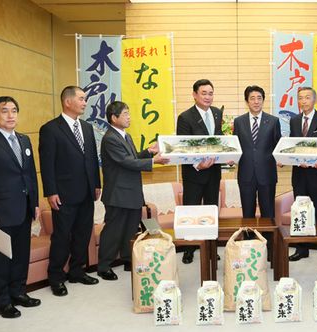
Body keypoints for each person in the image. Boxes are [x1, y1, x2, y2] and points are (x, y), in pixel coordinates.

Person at [0, 96, 40, 318]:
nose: (11, 115)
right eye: (5, 111)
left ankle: (18, 292)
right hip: (1, 210)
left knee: (22, 254)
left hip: (24, 208)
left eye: (14, 110)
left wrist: (34, 203)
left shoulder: (24, 140)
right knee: (3, 257)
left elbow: (31, 175)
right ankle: (2, 301)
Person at [39, 86, 101, 296]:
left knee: (83, 233)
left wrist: (96, 184)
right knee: (62, 236)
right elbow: (47, 165)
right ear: (68, 102)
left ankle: (77, 271)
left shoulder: (86, 127)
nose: (85, 103)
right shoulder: (50, 129)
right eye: (82, 99)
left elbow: (92, 158)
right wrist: (50, 192)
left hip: (86, 192)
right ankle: (56, 277)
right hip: (63, 194)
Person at [97, 101, 169, 280]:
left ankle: (128, 259)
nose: (129, 117)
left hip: (131, 192)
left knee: (130, 229)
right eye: (125, 114)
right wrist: (154, 162)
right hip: (118, 193)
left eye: (129, 113)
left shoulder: (125, 136)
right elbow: (126, 162)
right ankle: (104, 266)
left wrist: (148, 152)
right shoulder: (110, 138)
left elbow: (133, 157)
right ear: (114, 118)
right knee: (113, 230)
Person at [176, 79, 223, 264]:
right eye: (204, 93)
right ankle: (189, 249)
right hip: (194, 174)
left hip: (213, 173)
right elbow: (183, 148)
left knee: (212, 210)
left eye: (210, 93)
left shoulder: (218, 113)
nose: (208, 97)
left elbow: (218, 140)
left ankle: (212, 248)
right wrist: (197, 165)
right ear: (195, 94)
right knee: (191, 211)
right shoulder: (185, 117)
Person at [288, 87, 317, 263]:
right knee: (300, 212)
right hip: (299, 174)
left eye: (307, 97)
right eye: (300, 98)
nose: (304, 101)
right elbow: (293, 144)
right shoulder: (295, 121)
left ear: (315, 100)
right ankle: (301, 249)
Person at [233, 85, 281, 218]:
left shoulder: (273, 121)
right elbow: (235, 146)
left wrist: (282, 159)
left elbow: (278, 146)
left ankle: (268, 239)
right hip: (246, 174)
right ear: (247, 101)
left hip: (267, 174)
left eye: (259, 98)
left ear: (263, 100)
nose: (256, 101)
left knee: (268, 213)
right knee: (247, 214)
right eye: (252, 98)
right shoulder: (238, 122)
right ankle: (249, 238)